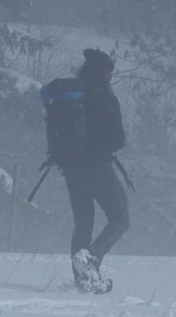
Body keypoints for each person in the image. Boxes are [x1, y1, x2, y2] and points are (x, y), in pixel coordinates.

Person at [64, 48, 129, 293]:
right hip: (98, 166)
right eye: (110, 71)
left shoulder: (73, 96)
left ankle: (84, 281)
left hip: (71, 169)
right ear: (104, 72)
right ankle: (91, 257)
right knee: (120, 218)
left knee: (83, 222)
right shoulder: (106, 99)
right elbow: (117, 139)